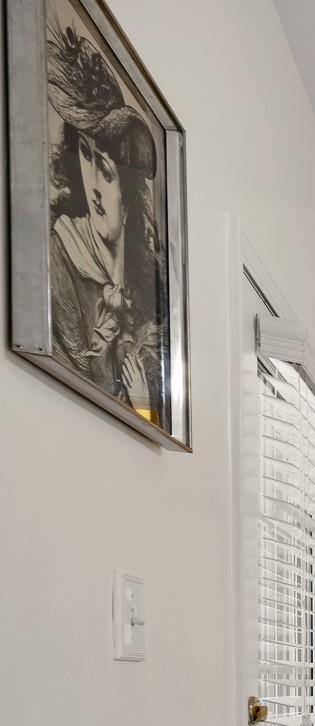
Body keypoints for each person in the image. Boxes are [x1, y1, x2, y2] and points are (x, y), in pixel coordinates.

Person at [45, 20, 164, 423]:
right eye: (85, 155)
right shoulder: (59, 256)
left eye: (108, 173)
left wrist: (144, 404)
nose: (93, 186)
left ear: (130, 201)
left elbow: (147, 418)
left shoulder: (144, 294)